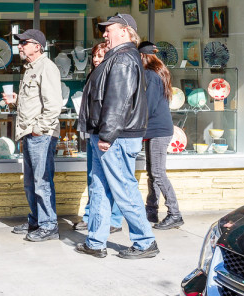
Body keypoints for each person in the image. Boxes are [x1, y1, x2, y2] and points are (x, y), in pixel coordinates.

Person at [75, 13, 159, 259]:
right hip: (110, 135)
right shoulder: (117, 57)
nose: (104, 34)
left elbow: (118, 102)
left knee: (123, 188)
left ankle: (145, 242)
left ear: (124, 31)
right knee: (99, 187)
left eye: (108, 30)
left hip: (116, 137)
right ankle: (95, 241)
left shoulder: (122, 59)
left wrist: (107, 135)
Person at [3, 29, 63, 242]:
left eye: (24, 42)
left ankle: (49, 225)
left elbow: (53, 105)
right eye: (19, 43)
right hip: (30, 132)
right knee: (31, 182)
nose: (20, 46)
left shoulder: (46, 67)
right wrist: (17, 100)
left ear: (38, 46)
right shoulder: (30, 68)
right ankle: (36, 220)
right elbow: (34, 101)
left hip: (40, 134)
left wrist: (40, 128)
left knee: (41, 181)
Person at [73, 42, 123, 233]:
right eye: (94, 55)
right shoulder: (93, 74)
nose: (95, 59)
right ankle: (91, 215)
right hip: (92, 132)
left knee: (111, 179)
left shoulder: (112, 76)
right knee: (94, 178)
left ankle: (115, 220)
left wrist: (106, 134)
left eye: (100, 56)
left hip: (106, 135)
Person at [139, 41, 184, 230]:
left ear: (142, 56)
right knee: (152, 172)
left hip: (158, 130)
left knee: (157, 173)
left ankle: (175, 214)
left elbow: (148, 105)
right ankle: (151, 209)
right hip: (157, 129)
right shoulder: (159, 72)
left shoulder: (150, 74)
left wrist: (136, 125)